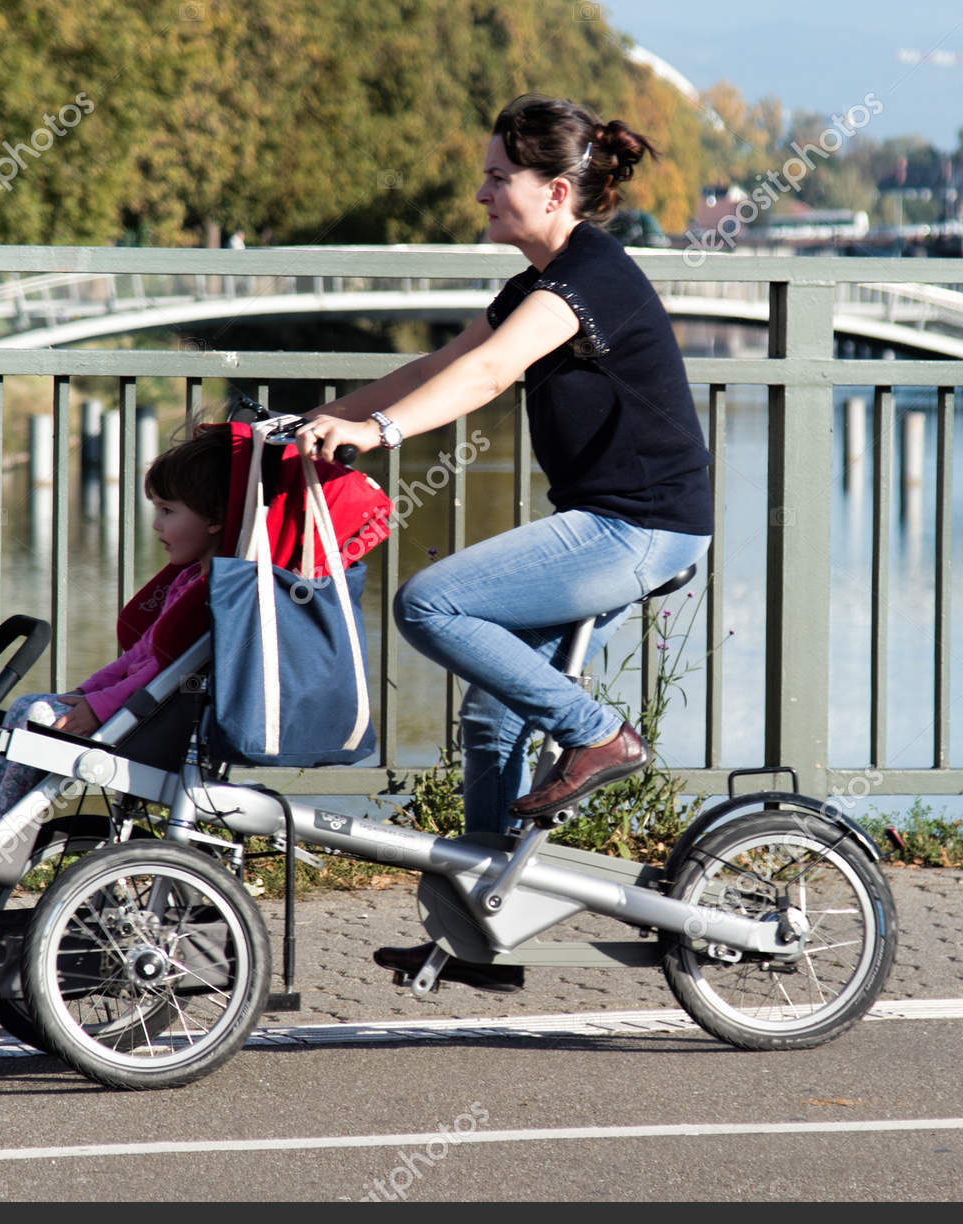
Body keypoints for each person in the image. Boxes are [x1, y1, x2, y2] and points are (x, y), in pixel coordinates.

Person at [295, 93, 714, 849]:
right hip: (611, 522)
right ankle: (479, 918)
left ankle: (597, 735)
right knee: (493, 714)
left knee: (428, 604)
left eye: (497, 178)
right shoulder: (535, 283)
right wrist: (313, 423)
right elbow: (441, 364)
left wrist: (375, 433)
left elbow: (489, 373)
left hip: (641, 526)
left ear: (554, 192)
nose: (481, 193)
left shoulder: (590, 277)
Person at [0, 430, 230, 856]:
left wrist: (100, 706)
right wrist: (86, 693)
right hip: (137, 711)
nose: (156, 524)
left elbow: (161, 671)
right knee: (30, 708)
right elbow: (140, 656)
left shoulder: (211, 592)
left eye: (168, 511)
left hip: (149, 721)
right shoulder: (190, 581)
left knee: (38, 714)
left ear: (214, 518)